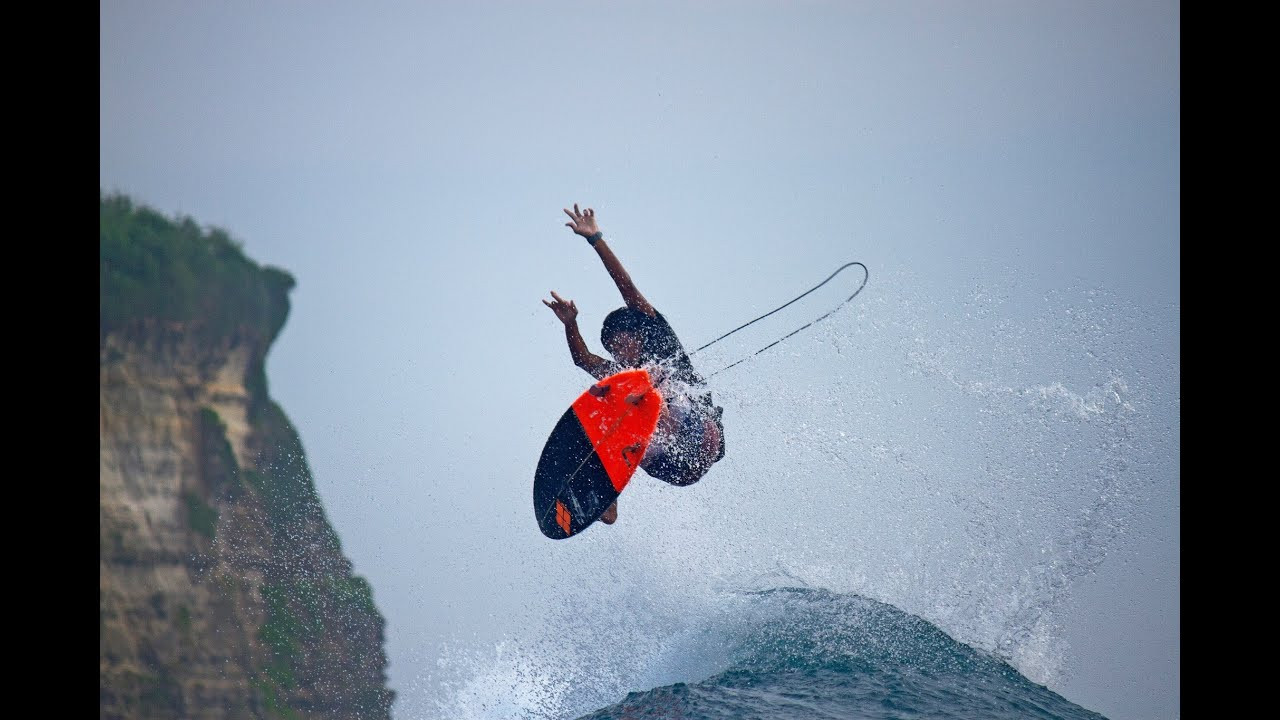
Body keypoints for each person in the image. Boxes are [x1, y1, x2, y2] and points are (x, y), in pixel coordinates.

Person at [543, 203, 726, 525]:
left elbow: (624, 285)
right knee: (606, 399)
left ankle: (655, 414)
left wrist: (595, 238)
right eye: (612, 349)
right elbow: (582, 360)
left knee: (650, 383)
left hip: (701, 439)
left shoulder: (659, 336)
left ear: (638, 333)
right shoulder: (622, 376)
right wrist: (570, 324)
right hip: (671, 466)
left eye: (620, 342)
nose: (618, 353)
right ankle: (603, 497)